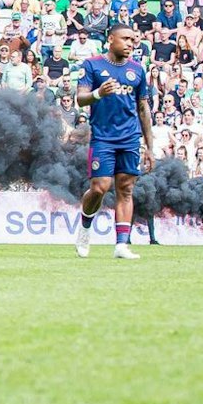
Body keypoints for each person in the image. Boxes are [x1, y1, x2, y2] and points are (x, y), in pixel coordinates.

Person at [72, 24, 155, 260]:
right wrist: (98, 93)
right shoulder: (92, 65)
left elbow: (143, 108)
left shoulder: (137, 70)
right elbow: (80, 99)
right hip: (103, 137)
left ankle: (121, 245)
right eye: (125, 39)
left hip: (130, 138)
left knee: (126, 189)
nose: (130, 44)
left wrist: (150, 147)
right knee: (100, 187)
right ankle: (85, 227)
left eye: (133, 40)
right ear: (111, 39)